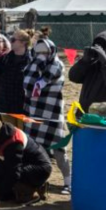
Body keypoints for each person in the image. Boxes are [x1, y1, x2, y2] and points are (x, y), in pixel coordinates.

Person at [23, 37, 72, 194]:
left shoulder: (57, 65)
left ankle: (68, 182)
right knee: (33, 149)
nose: (41, 56)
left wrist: (39, 71)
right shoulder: (31, 66)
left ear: (51, 52)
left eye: (44, 52)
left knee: (58, 149)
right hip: (33, 113)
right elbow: (27, 84)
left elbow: (46, 82)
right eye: (38, 53)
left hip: (52, 113)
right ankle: (34, 181)